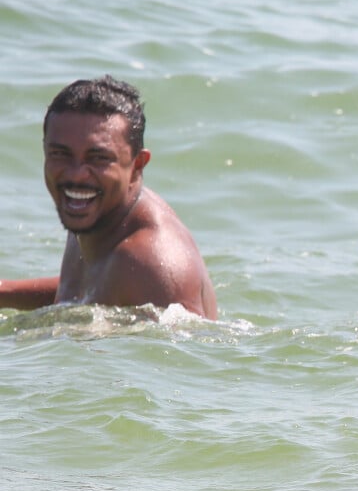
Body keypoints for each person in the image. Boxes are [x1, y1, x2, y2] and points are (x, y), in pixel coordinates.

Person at [0, 75, 217, 320]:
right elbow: (89, 291)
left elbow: (177, 354)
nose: (76, 175)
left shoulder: (151, 263)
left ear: (137, 166)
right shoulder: (96, 211)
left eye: (98, 158)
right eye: (60, 154)